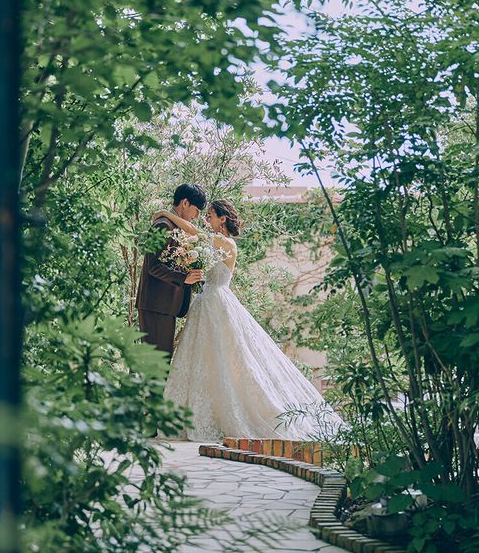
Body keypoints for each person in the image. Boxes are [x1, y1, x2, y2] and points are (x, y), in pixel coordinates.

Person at [151, 198, 345, 441]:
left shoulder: (227, 242)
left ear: (222, 219)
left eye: (210, 215)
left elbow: (193, 232)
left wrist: (166, 214)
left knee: (230, 358)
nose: (206, 219)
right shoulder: (214, 241)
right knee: (204, 359)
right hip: (205, 303)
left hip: (218, 302)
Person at [135, 183, 207, 356]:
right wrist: (184, 278)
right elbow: (153, 266)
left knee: (159, 361)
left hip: (164, 305)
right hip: (155, 305)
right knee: (155, 362)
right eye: (196, 210)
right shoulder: (163, 226)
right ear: (185, 203)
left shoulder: (175, 226)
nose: (196, 216)